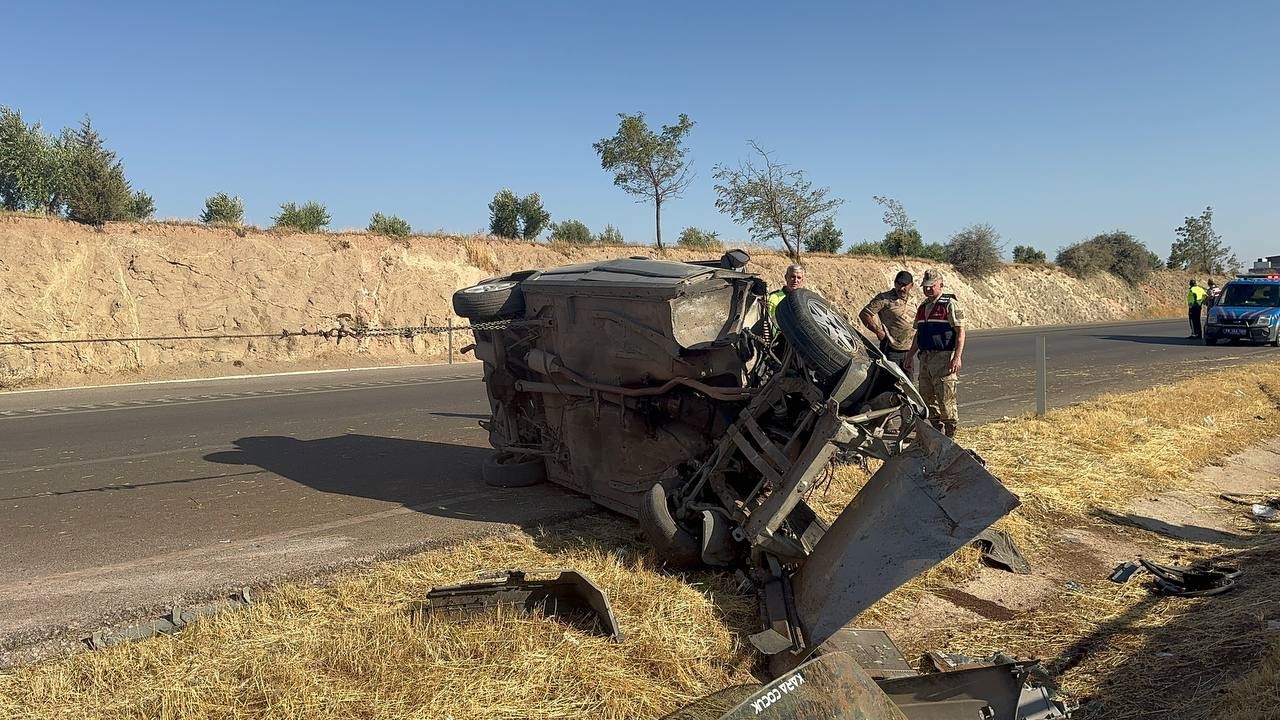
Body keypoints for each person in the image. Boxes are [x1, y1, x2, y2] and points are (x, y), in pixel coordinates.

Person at [905, 269, 965, 438]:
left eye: (932, 286)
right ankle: (937, 433)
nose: (928, 289)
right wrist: (910, 355)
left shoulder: (949, 304)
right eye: (925, 286)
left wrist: (957, 357)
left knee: (946, 399)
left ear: (941, 285)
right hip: (925, 357)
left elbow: (960, 332)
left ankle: (951, 435)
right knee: (926, 399)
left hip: (943, 357)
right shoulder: (923, 307)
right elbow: (918, 334)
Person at [859, 270, 916, 369]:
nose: (901, 288)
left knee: (909, 382)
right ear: (895, 283)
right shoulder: (884, 299)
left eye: (905, 285)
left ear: (911, 285)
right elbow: (865, 314)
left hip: (909, 352)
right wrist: (878, 331)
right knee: (889, 382)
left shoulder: (913, 300)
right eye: (899, 284)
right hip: (891, 350)